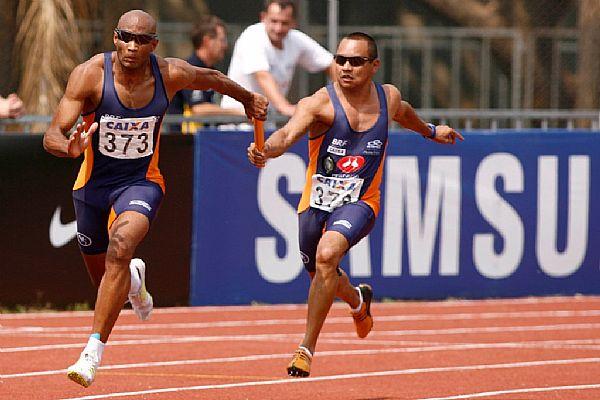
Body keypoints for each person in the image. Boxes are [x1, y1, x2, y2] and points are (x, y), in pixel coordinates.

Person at [43, 9, 267, 388]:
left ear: (153, 45)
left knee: (121, 245)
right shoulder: (90, 75)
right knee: (104, 278)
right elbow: (51, 133)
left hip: (141, 182)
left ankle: (91, 352)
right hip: (92, 187)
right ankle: (132, 277)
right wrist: (69, 148)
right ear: (115, 38)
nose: (132, 46)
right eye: (125, 37)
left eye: (141, 40)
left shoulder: (169, 74)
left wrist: (247, 99)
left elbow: (211, 78)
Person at [248, 32, 463, 377]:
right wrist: (266, 150)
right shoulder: (319, 102)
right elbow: (286, 135)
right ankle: (358, 301)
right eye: (340, 60)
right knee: (321, 271)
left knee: (327, 256)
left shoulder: (387, 97)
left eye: (356, 61)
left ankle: (305, 349)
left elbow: (404, 113)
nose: (346, 67)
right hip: (315, 203)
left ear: (374, 66)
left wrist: (430, 131)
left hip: (362, 201)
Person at [221, 0, 333, 118]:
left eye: (284, 23)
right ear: (263, 17)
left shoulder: (296, 38)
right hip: (237, 121)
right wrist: (286, 108)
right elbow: (263, 76)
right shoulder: (252, 36)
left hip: (267, 119)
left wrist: (344, 101)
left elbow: (331, 64)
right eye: (274, 21)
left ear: (293, 23)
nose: (278, 28)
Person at [167, 15, 243, 133]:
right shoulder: (189, 69)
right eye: (222, 40)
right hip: (185, 144)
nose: (225, 46)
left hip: (207, 141)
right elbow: (199, 109)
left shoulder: (212, 72)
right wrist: (237, 113)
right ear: (207, 41)